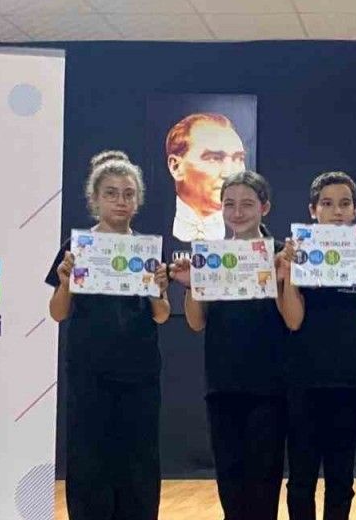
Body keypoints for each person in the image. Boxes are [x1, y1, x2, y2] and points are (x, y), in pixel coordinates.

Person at [169, 170, 304, 520]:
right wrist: (192, 284)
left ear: (264, 207)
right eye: (229, 204)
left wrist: (283, 279)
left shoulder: (280, 254)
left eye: (247, 204)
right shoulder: (211, 257)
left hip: (269, 389)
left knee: (263, 484)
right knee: (230, 483)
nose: (238, 212)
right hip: (222, 387)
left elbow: (293, 321)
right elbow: (196, 322)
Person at [45, 150, 171, 520]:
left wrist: (157, 288)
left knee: (139, 462)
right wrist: (66, 282)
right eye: (111, 193)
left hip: (139, 375)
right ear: (95, 199)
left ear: (138, 200)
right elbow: (57, 312)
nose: (121, 201)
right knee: (89, 462)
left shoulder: (147, 250)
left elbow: (162, 314)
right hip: (90, 374)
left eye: (128, 194)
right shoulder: (76, 248)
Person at [285, 171, 356, 520]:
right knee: (301, 477)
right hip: (302, 378)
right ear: (312, 210)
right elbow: (293, 321)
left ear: (355, 210)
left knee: (341, 476)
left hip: (348, 377)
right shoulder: (299, 253)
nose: (336, 211)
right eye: (327, 204)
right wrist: (289, 276)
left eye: (344, 204)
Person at [166, 112, 248, 242]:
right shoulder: (149, 226)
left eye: (238, 159)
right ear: (176, 167)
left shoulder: (251, 235)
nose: (229, 173)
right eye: (214, 158)